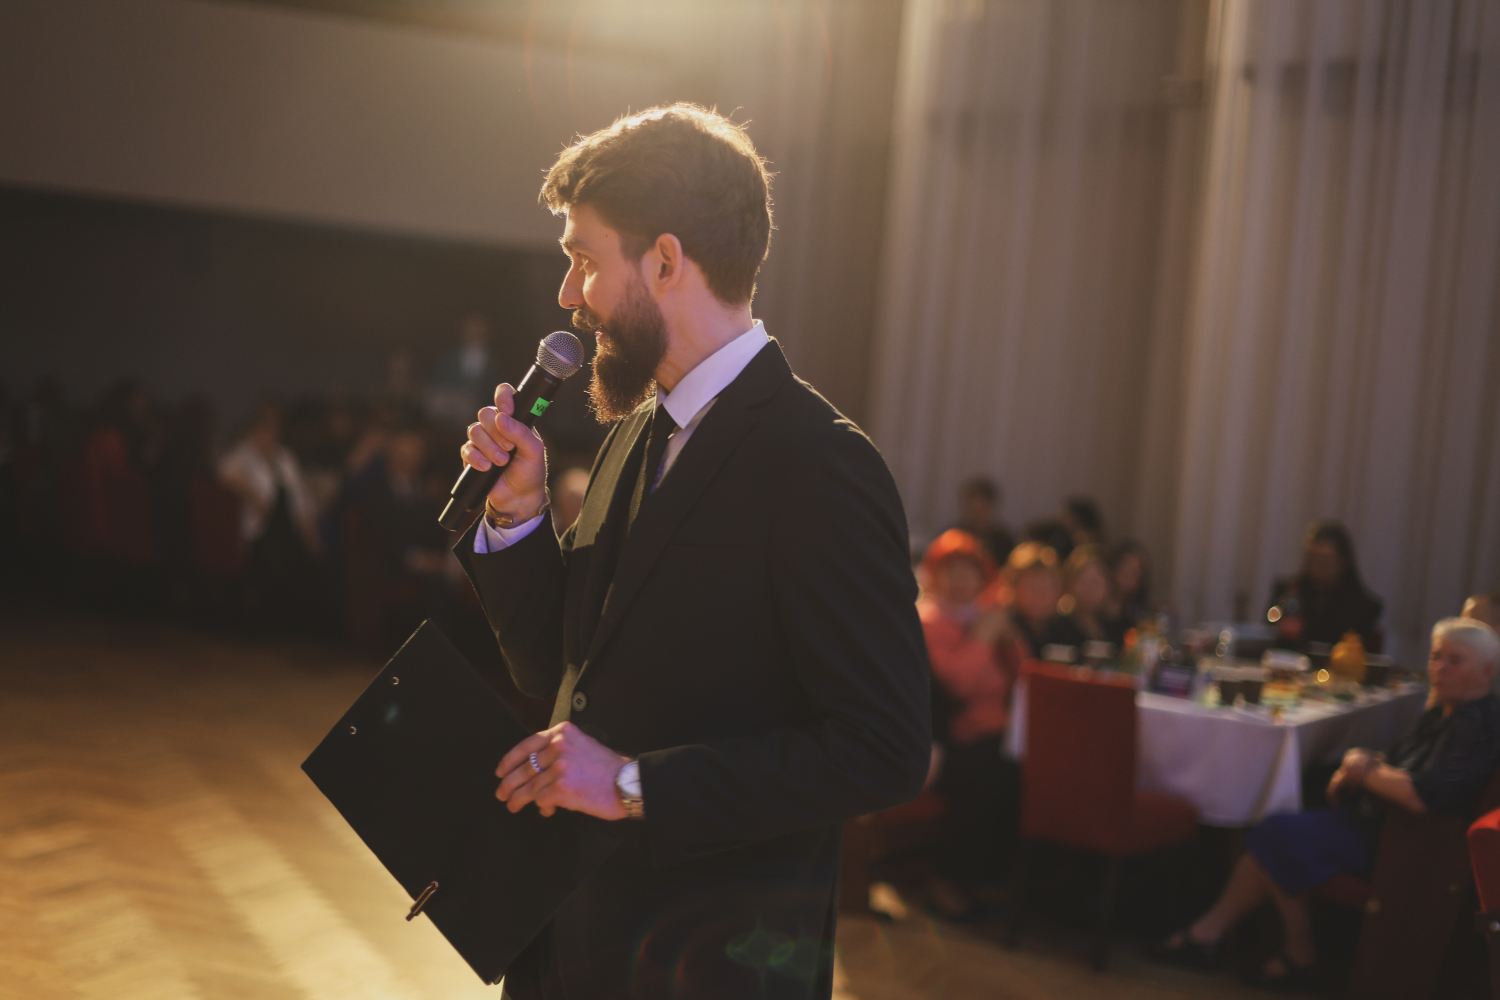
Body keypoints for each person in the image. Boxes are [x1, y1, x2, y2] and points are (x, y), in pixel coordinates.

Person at [453, 105, 931, 999]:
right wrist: (518, 517)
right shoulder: (637, 433)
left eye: (585, 260)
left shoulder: (820, 462)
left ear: (665, 261)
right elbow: (563, 667)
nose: (568, 294)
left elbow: (883, 748)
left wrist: (634, 785)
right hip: (570, 940)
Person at [1150, 618, 1500, 989]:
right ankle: (1207, 935)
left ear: (1487, 672)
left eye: (1454, 660)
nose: (1440, 668)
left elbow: (1422, 796)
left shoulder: (1475, 723)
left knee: (1275, 832)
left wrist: (1362, 769)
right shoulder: (1446, 709)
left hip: (1407, 848)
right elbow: (1401, 766)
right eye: (1435, 656)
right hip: (1382, 825)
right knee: (1273, 832)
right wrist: (1362, 764)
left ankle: (1299, 954)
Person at [917, 530, 1019, 918]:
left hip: (995, 732)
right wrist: (982, 638)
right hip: (948, 738)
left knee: (1022, 770)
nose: (960, 580)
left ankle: (990, 881)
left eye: (969, 572)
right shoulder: (926, 621)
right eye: (951, 570)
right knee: (989, 776)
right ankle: (948, 881)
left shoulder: (985, 617)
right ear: (934, 575)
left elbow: (1019, 675)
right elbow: (952, 687)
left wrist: (1005, 634)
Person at [219, 398, 325, 632]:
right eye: (263, 431)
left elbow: (300, 498)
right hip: (260, 530)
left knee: (306, 561)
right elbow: (224, 473)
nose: (268, 437)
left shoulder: (284, 458)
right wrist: (252, 494)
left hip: (287, 527)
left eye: (272, 432)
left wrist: (312, 536)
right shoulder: (243, 455)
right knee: (273, 560)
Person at [1267, 520, 1384, 652]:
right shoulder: (1287, 591)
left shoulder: (1363, 607)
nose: (1315, 566)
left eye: (1323, 560)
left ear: (1342, 562)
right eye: (1311, 558)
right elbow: (1268, 632)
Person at [1004, 541, 1073, 659]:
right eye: (1032, 586)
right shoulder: (1003, 630)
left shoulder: (1069, 628)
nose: (1039, 594)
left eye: (1045, 587)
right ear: (1014, 588)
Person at [1058, 544, 1124, 648]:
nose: (1091, 589)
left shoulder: (1113, 625)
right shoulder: (1059, 627)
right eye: (1085, 582)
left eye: (1096, 582)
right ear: (1070, 583)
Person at [949, 476, 1015, 563]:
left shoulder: (1004, 543)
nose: (976, 515)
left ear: (990, 506)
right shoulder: (951, 538)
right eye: (972, 508)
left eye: (980, 509)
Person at [1102, 539, 1151, 634]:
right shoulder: (1096, 606)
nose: (1131, 577)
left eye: (1137, 573)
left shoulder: (1134, 611)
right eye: (1128, 570)